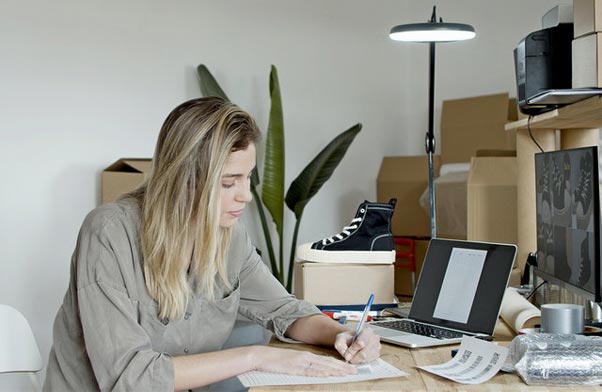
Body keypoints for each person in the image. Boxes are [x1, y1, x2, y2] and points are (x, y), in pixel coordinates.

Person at [43, 96, 381, 391]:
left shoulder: (229, 238)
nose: (246, 195)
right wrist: (255, 357)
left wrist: (343, 335)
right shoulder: (109, 234)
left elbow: (286, 311)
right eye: (228, 182)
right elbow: (130, 378)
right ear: (183, 180)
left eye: (247, 178)